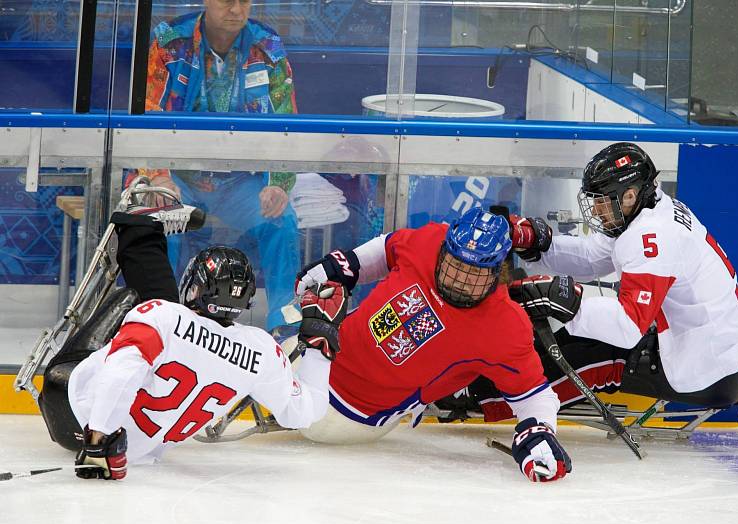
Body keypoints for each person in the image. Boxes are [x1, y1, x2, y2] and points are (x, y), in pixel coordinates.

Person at [36, 179, 346, 480]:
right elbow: (305, 413)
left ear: (195, 287)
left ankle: (139, 228)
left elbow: (120, 372)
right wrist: (321, 344)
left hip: (71, 403)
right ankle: (143, 229)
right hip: (135, 449)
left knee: (131, 301)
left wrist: (100, 439)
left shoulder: (163, 315)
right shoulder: (261, 350)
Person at [473, 142, 738, 418]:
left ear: (630, 195)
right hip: (714, 348)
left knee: (585, 356)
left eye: (602, 202)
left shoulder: (653, 235)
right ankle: (487, 384)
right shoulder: (649, 210)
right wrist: (540, 244)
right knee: (572, 338)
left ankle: (480, 397)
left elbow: (627, 327)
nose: (596, 211)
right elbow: (590, 256)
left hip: (709, 368)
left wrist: (564, 301)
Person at [293, 207, 576, 483]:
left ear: (497, 272)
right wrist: (349, 264)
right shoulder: (430, 240)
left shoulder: (506, 327)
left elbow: (534, 393)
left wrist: (540, 430)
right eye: (455, 264)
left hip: (349, 416)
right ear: (445, 249)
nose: (459, 280)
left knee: (273, 376)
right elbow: (387, 249)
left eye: (474, 273)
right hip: (314, 355)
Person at [130, 0, 300, 333]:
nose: (236, 9)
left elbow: (287, 125)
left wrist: (278, 182)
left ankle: (286, 330)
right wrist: (159, 176)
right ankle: (155, 323)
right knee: (161, 221)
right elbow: (146, 116)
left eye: (244, 0)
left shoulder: (268, 48)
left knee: (282, 223)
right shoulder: (170, 42)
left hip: (239, 182)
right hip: (180, 177)